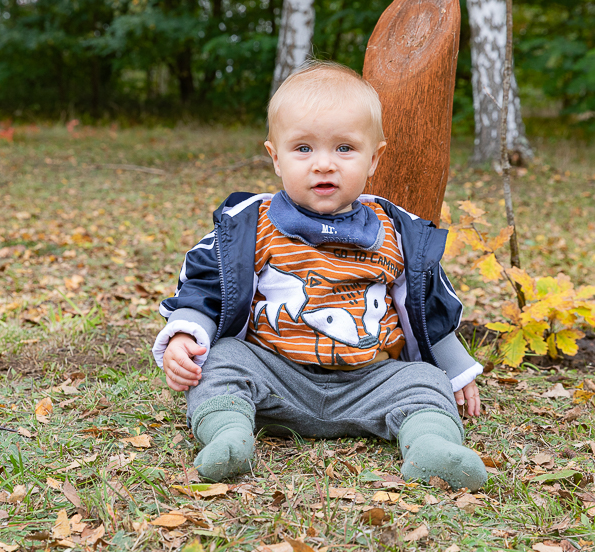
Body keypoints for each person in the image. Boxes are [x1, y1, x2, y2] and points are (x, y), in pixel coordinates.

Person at [151, 61, 487, 491]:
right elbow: (206, 285)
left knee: (425, 382)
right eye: (304, 149)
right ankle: (227, 434)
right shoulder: (252, 225)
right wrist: (186, 334)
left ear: (374, 158)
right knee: (220, 361)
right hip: (276, 378)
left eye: (345, 148)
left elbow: (425, 304)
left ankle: (431, 448)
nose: (324, 164)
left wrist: (457, 371)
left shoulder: (395, 230)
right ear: (275, 157)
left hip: (370, 381)